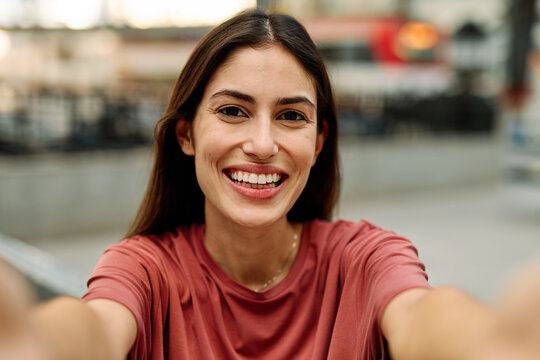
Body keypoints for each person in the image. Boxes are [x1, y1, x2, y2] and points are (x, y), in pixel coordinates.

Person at [1, 8, 540, 360]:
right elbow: (93, 329)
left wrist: (491, 341)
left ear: (320, 139)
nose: (262, 144)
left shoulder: (366, 258)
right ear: (186, 134)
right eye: (234, 111)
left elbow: (424, 316)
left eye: (291, 116)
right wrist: (34, 341)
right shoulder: (145, 269)